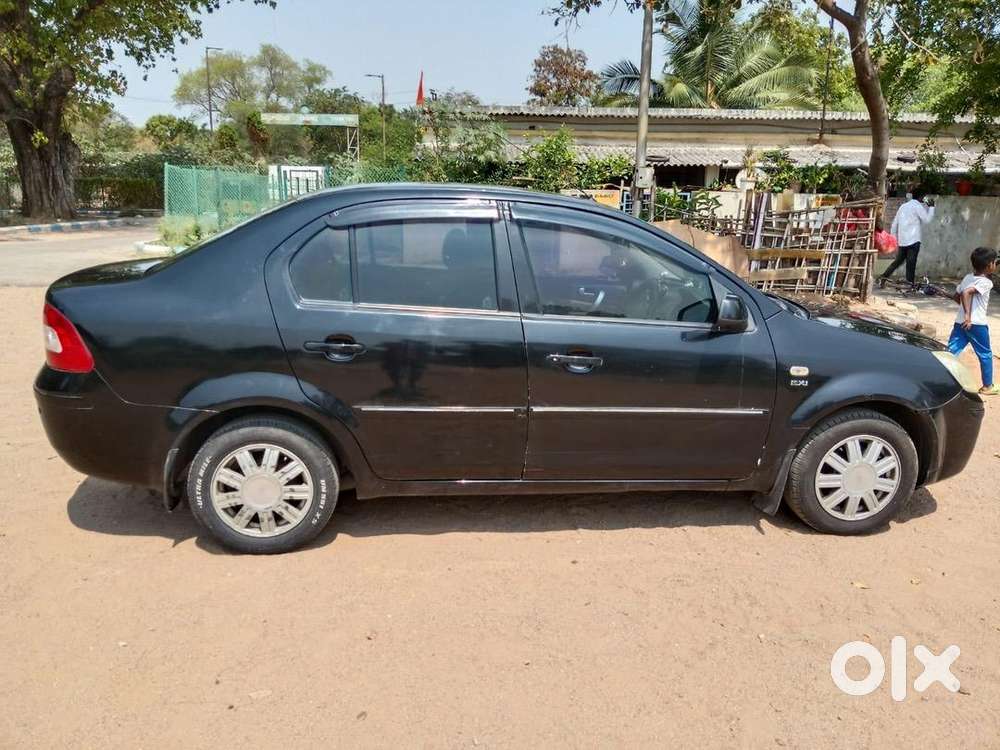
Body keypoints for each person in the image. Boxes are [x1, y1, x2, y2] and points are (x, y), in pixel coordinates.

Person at [948, 246, 998, 396]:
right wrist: (969, 316)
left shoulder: (967, 278)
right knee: (985, 354)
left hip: (960, 322)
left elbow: (958, 296)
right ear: (989, 265)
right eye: (995, 262)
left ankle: (940, 377)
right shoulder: (986, 282)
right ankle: (987, 386)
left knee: (951, 352)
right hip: (976, 324)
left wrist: (964, 314)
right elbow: (966, 292)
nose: (995, 265)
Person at [881, 187, 936, 284]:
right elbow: (927, 220)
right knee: (911, 265)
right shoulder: (917, 206)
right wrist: (931, 207)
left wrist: (894, 238)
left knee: (897, 262)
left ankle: (883, 277)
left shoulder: (903, 206)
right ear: (921, 197)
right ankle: (909, 285)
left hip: (903, 241)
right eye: (924, 197)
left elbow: (894, 224)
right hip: (914, 241)